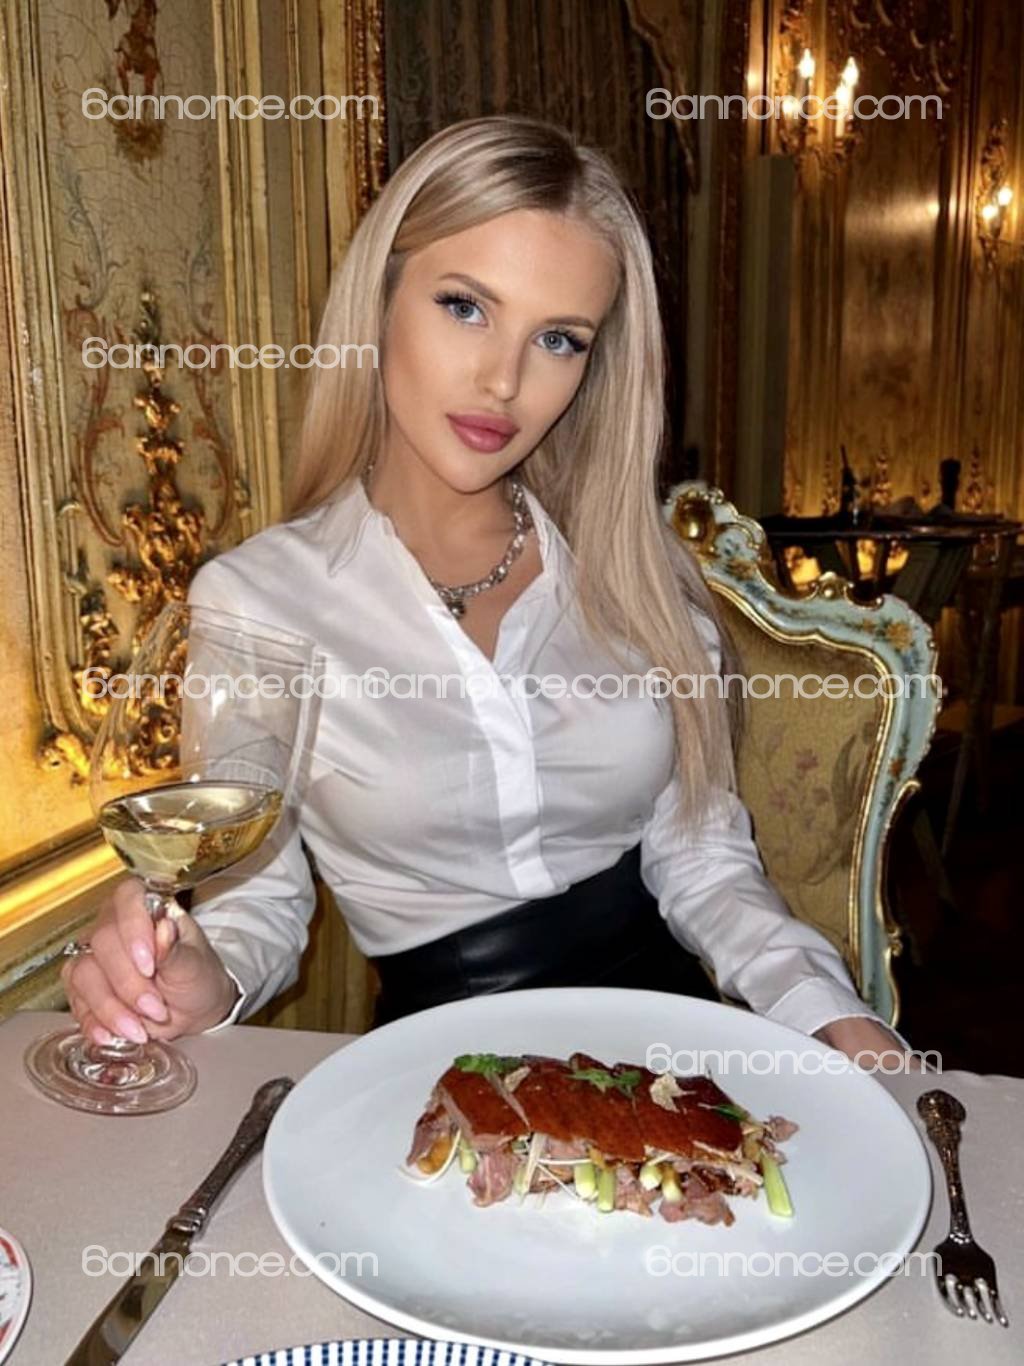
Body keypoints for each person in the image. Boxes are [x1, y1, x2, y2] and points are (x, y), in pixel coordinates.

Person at [63, 115, 913, 1068]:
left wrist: (825, 1014)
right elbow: (256, 904)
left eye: (558, 339)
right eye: (465, 307)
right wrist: (197, 979)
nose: (504, 381)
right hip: (439, 1073)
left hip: (671, 1047)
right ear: (381, 300)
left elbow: (702, 858)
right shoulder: (259, 603)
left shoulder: (640, 580)